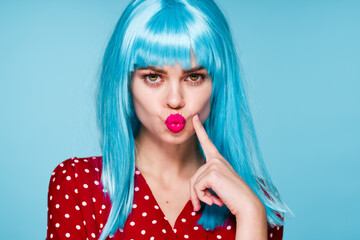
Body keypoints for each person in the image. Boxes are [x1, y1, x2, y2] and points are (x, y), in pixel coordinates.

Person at [46, 0, 291, 239]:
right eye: (153, 77)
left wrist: (251, 213)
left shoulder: (255, 198)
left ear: (218, 84)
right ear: (126, 84)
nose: (175, 100)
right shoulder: (76, 185)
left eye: (194, 77)